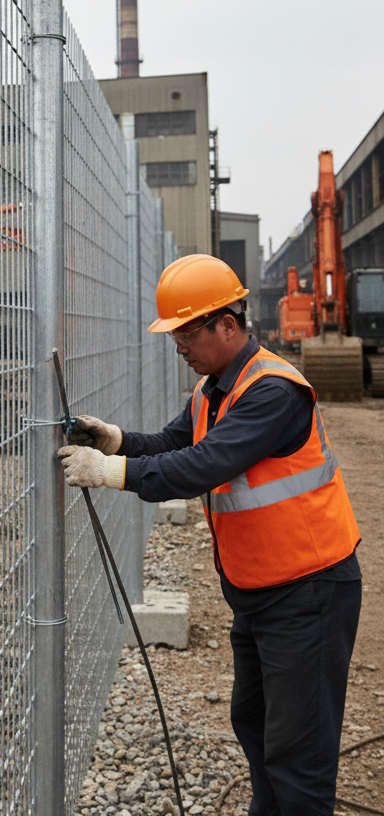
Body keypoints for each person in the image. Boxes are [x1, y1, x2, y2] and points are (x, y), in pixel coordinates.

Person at [57, 253, 361, 816]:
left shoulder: (273, 391)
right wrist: (115, 441)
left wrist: (110, 475)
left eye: (187, 331)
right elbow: (173, 444)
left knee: (299, 754)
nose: (178, 344)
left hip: (309, 591)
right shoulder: (213, 390)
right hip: (260, 591)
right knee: (255, 726)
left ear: (228, 324)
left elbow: (203, 465)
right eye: (174, 333)